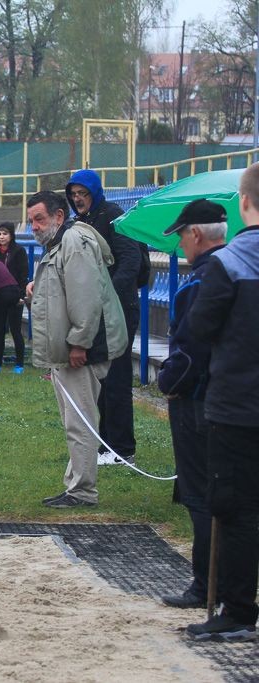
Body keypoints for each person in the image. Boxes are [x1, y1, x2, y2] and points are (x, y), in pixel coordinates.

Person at [184, 164, 259, 642]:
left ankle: (238, 610)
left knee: (235, 508)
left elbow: (200, 329)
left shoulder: (229, 262)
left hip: (238, 405)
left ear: (243, 202)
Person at [26, 191, 126, 509]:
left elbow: (85, 297)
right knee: (74, 419)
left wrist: (80, 343)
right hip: (71, 348)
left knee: (80, 421)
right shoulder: (61, 241)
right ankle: (75, 484)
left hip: (85, 349)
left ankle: (83, 491)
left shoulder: (74, 242)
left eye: (39, 219)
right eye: (31, 221)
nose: (34, 227)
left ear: (58, 216)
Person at [156, 199, 227, 611]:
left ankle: (205, 585)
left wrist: (168, 383)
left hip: (197, 400)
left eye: (182, 236)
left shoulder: (200, 282)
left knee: (199, 494)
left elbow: (189, 349)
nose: (181, 244)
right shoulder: (239, 272)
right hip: (232, 398)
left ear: (196, 234)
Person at [67, 169, 144, 466]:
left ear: (95, 192)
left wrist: (106, 295)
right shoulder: (81, 221)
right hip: (96, 311)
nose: (78, 199)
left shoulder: (113, 216)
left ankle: (123, 449)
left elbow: (131, 261)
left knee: (118, 378)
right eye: (74, 195)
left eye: (83, 194)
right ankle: (106, 444)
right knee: (101, 379)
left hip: (119, 309)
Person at [0, 222, 28, 373]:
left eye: (5, 234)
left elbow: (23, 275)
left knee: (15, 330)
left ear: (11, 235)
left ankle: (19, 364)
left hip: (14, 295)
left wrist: (21, 295)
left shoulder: (19, 251)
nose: (2, 237)